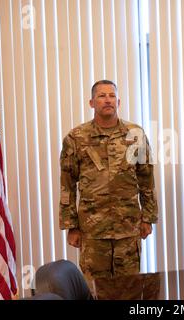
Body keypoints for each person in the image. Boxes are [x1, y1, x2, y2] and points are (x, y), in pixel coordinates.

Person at [59, 80, 158, 284]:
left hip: (128, 229)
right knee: (95, 291)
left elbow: (146, 179)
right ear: (91, 102)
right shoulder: (76, 138)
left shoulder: (135, 134)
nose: (107, 100)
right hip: (93, 231)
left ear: (118, 101)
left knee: (128, 289)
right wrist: (72, 226)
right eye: (102, 96)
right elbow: (67, 184)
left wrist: (148, 218)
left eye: (112, 96)